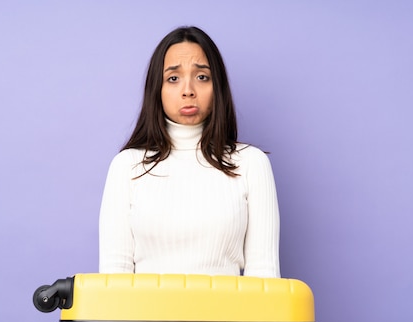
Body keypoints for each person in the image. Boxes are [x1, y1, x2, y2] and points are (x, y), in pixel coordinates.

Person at [98, 26, 280, 279]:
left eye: (202, 77)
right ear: (157, 90)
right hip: (143, 318)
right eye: (173, 78)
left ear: (218, 87)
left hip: (228, 317)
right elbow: (114, 278)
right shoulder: (126, 166)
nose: (188, 91)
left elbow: (264, 278)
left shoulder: (251, 163)